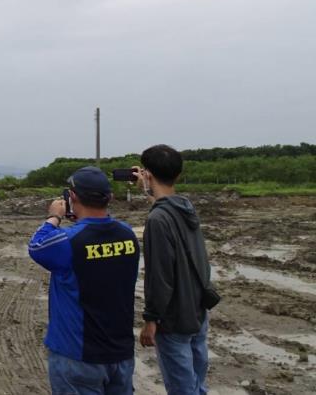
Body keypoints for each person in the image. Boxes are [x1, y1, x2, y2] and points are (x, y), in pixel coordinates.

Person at [28, 166, 140, 394]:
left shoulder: (69, 240)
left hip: (77, 354)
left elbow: (37, 245)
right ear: (110, 197)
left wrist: (54, 217)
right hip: (120, 352)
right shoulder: (127, 234)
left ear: (73, 196)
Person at [135, 145, 215, 395]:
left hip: (174, 319)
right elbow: (165, 206)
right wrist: (147, 191)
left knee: (183, 389)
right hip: (197, 311)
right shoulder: (186, 207)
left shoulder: (157, 220)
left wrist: (151, 319)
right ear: (178, 175)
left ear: (148, 174)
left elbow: (160, 276)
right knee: (197, 385)